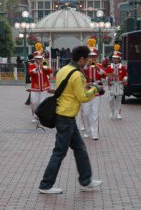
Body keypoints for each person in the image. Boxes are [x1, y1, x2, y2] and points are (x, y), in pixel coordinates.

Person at [38, 45, 102, 194]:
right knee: (59, 152)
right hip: (66, 117)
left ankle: (86, 181)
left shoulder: (63, 70)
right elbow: (83, 97)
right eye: (87, 60)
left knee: (80, 149)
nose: (87, 62)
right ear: (81, 59)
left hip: (64, 116)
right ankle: (45, 185)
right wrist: (95, 89)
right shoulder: (78, 74)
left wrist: (87, 85)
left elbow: (68, 88)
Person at [81, 39, 106, 140]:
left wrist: (97, 68)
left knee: (94, 113)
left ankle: (95, 133)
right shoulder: (83, 66)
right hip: (86, 91)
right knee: (86, 113)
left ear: (97, 57)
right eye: (90, 56)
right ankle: (87, 130)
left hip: (96, 92)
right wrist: (87, 65)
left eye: (93, 56)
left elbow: (104, 75)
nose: (92, 58)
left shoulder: (99, 66)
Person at [28, 43, 52, 123]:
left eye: (40, 58)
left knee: (42, 102)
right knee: (34, 102)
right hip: (35, 87)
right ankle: (34, 116)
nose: (39, 60)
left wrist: (45, 66)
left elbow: (49, 72)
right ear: (35, 58)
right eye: (37, 58)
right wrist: (36, 69)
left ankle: (40, 116)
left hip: (44, 86)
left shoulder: (44, 63)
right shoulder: (32, 65)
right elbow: (30, 73)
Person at [105, 44, 128, 120]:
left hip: (120, 84)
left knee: (119, 99)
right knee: (111, 99)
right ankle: (112, 112)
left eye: (116, 58)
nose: (115, 59)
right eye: (114, 58)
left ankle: (118, 113)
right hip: (112, 85)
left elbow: (126, 75)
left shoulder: (123, 67)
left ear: (119, 59)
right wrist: (107, 78)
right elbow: (106, 75)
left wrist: (125, 79)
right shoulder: (109, 67)